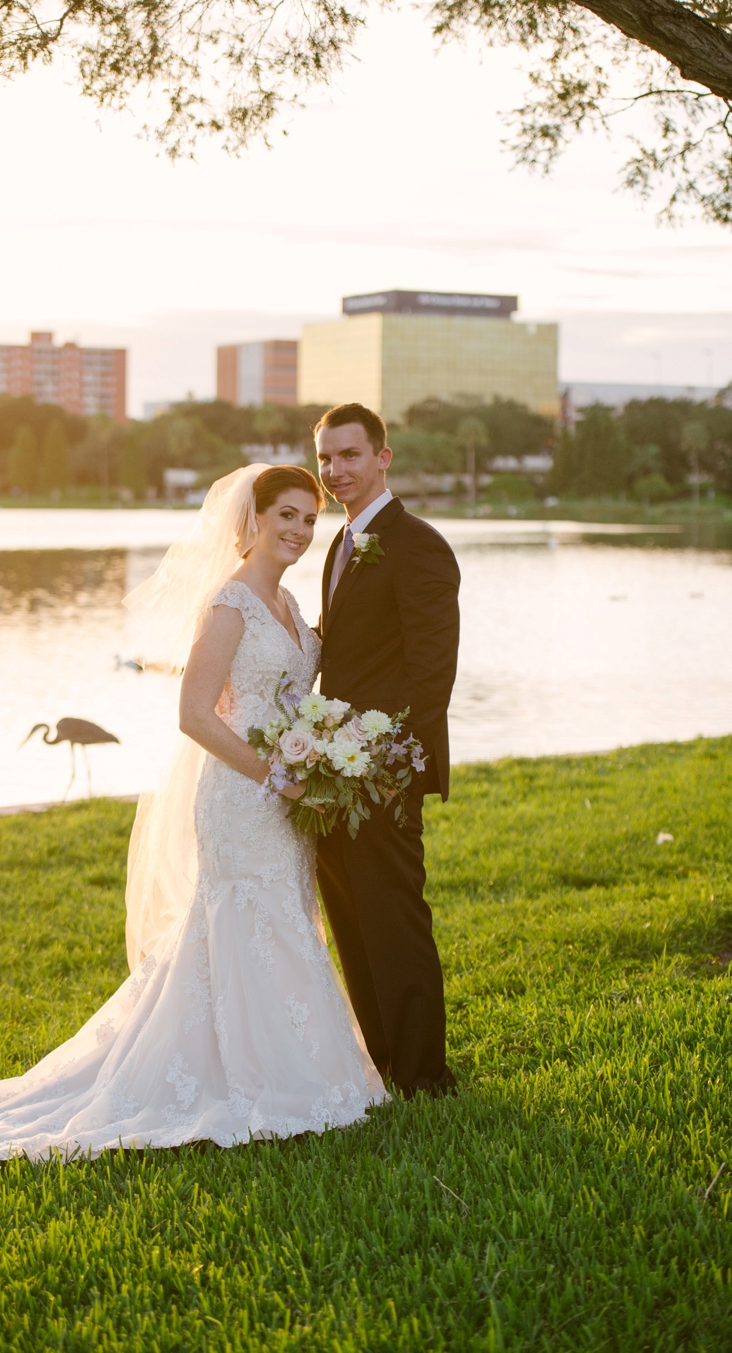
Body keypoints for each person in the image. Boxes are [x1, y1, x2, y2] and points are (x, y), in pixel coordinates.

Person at [0, 464, 383, 1173]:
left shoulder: (286, 603)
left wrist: (315, 756)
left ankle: (298, 1067)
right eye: (286, 515)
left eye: (310, 519)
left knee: (283, 918)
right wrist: (276, 771)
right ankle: (254, 1079)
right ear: (252, 518)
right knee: (246, 920)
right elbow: (193, 715)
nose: (300, 532)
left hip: (287, 799)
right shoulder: (230, 604)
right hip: (244, 798)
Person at [314, 403, 460, 1100]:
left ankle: (426, 1076)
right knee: (353, 921)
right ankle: (382, 1066)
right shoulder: (338, 545)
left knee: (396, 919)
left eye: (348, 454)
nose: (335, 470)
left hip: (384, 773)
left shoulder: (418, 545)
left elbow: (432, 676)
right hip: (331, 774)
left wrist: (387, 766)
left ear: (382, 455)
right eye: (325, 459)